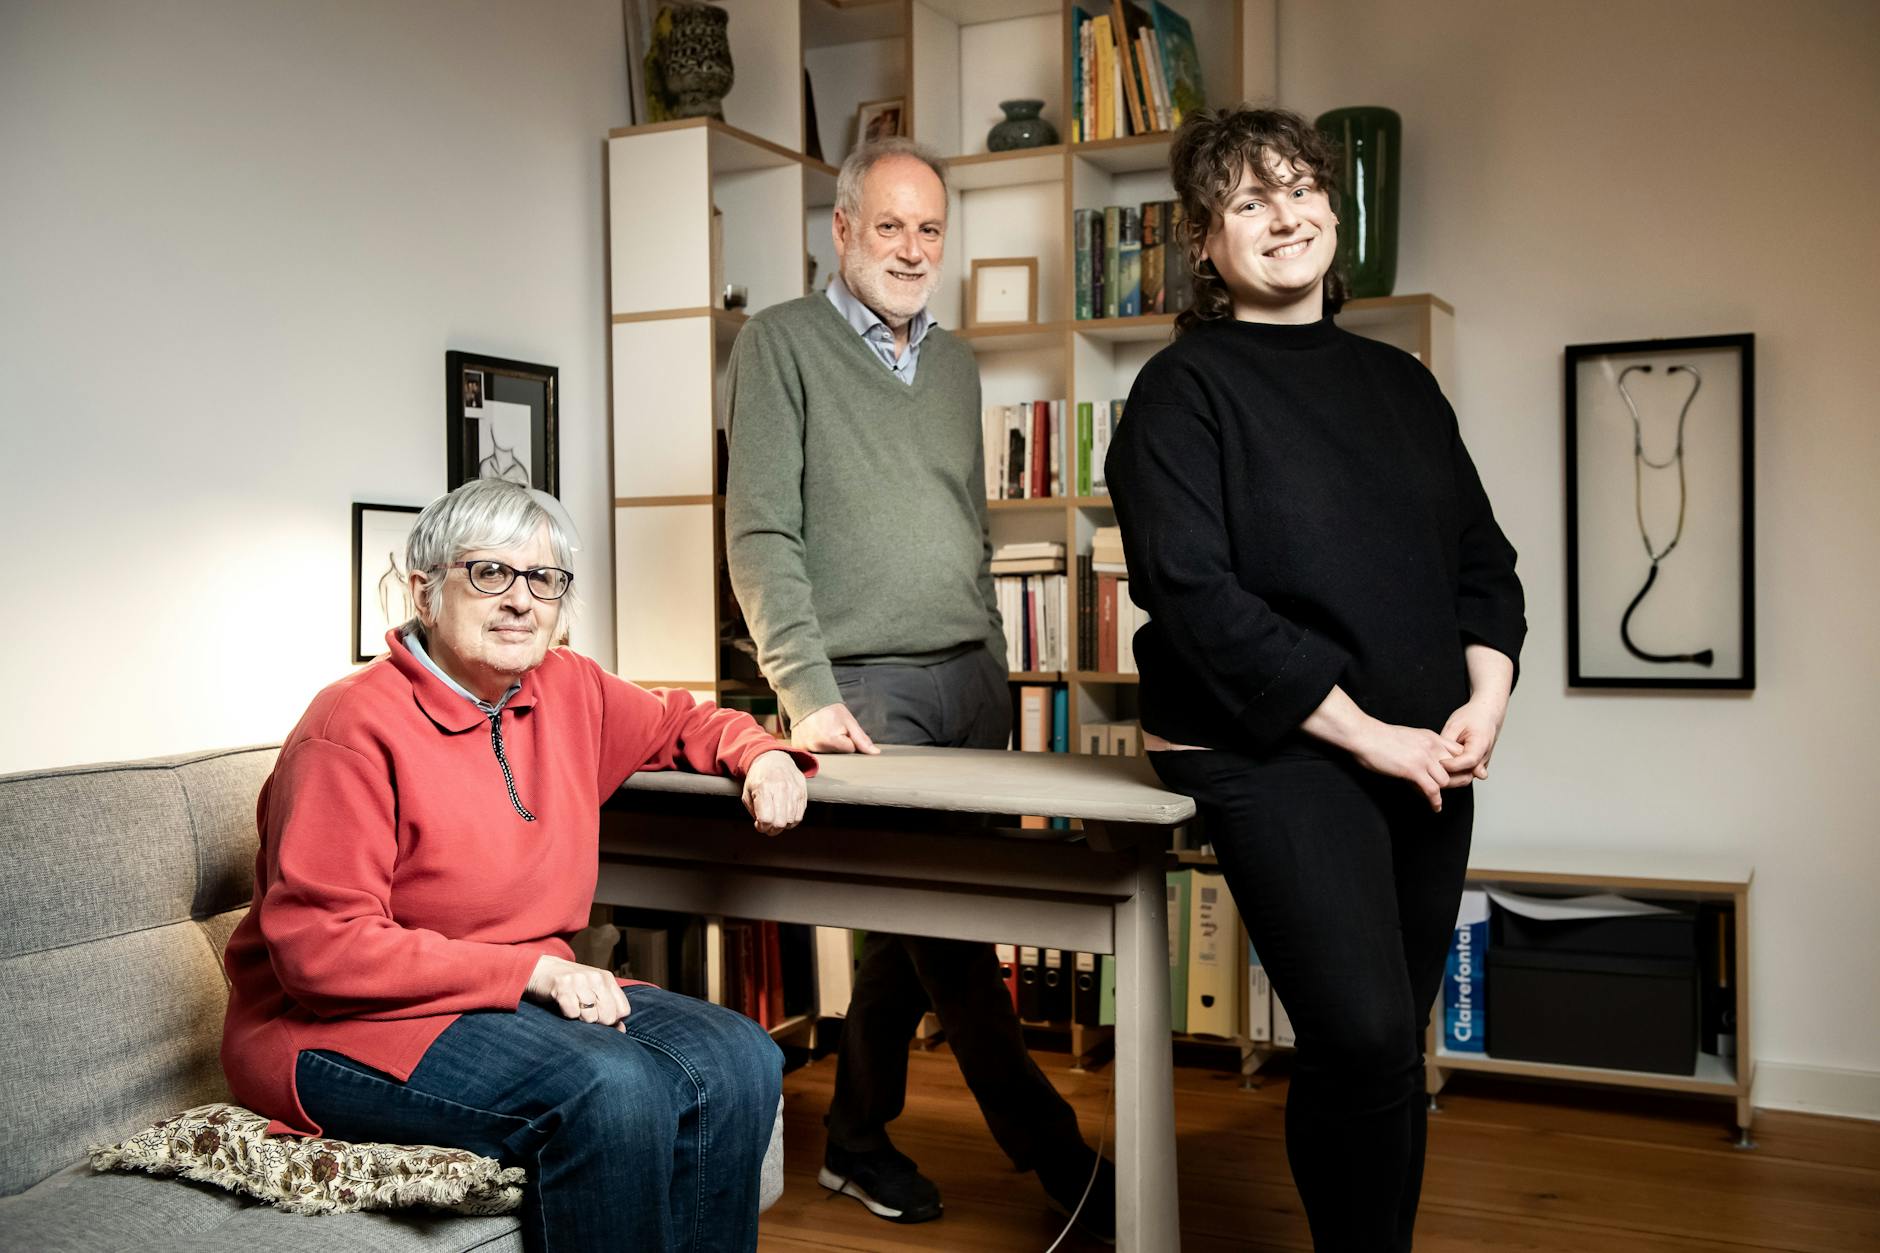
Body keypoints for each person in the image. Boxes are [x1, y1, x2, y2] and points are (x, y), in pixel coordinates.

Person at [1106, 107, 1526, 1250]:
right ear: (1202, 242)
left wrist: (1479, 701)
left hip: (1423, 755)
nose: (1284, 215)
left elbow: (1482, 569)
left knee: (1390, 1042)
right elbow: (1195, 599)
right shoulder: (1178, 394)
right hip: (1273, 751)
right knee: (1359, 1032)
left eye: (1299, 188)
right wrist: (1369, 733)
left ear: (1331, 208)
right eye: (1247, 201)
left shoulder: (1401, 385)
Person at [220, 478, 814, 1253]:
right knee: (614, 1089)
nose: (521, 600)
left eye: (543, 579)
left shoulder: (568, 687)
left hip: (510, 994)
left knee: (740, 1056)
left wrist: (762, 753)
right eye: (490, 573)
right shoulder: (350, 726)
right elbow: (321, 952)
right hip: (342, 1028)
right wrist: (532, 973)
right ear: (425, 592)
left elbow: (682, 719)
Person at [724, 137, 1113, 1239]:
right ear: (839, 230)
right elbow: (758, 531)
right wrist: (804, 689)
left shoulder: (955, 366)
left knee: (903, 931)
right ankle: (1059, 1161)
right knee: (950, 932)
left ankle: (851, 1140)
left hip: (970, 683)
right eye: (886, 224)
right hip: (865, 693)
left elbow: (967, 529)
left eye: (928, 229)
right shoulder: (778, 343)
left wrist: (993, 657)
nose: (909, 248)